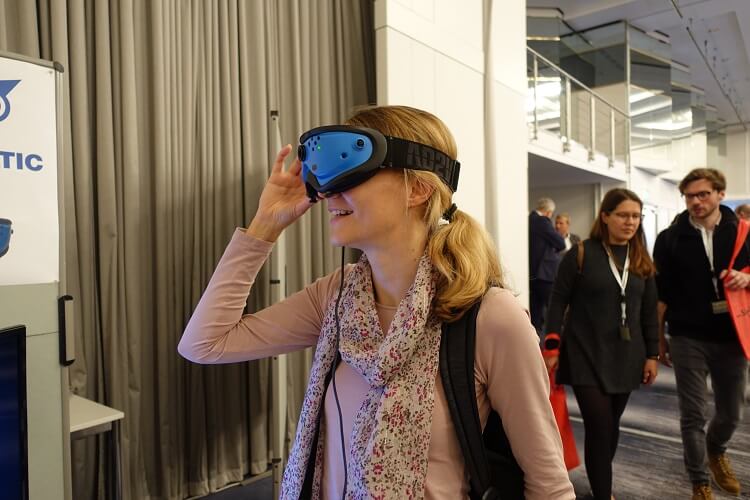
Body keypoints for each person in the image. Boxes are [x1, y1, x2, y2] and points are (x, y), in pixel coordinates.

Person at [178, 105, 575, 499]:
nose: (328, 192)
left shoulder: (488, 317)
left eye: (351, 171)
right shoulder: (336, 298)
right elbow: (206, 343)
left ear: (418, 189)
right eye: (326, 177)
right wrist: (264, 225)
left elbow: (549, 487)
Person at [543, 188, 659, 500]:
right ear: (605, 217)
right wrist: (551, 345)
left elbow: (649, 312)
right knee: (599, 424)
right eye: (623, 215)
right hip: (585, 352)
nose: (630, 222)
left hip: (627, 355)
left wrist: (652, 354)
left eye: (635, 216)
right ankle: (603, 492)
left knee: (611, 425)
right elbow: (557, 302)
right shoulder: (581, 253)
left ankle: (600, 477)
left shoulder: (640, 259)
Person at [653, 168, 749, 500]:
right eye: (690, 196)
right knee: (693, 414)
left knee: (731, 413)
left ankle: (716, 448)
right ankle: (700, 482)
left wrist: (747, 279)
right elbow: (661, 295)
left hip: (731, 335)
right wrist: (658, 340)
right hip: (686, 336)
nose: (696, 201)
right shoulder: (669, 239)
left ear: (720, 194)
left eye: (703, 194)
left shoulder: (742, 232)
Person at [530, 197, 566, 338]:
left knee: (535, 310)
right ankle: (555, 337)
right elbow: (560, 243)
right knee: (552, 307)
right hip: (544, 274)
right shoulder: (542, 221)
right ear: (549, 212)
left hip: (532, 273)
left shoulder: (528, 219)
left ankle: (537, 339)